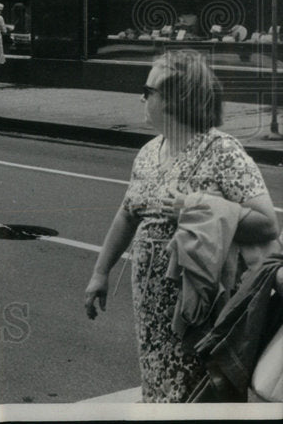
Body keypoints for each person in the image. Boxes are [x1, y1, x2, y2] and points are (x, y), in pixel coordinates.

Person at [84, 50, 279, 402]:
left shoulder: (222, 151)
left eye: (149, 90)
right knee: (157, 386)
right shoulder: (148, 152)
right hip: (152, 311)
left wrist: (195, 208)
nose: (141, 97)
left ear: (177, 98)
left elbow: (267, 223)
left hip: (202, 312)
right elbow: (128, 213)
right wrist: (100, 272)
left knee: (198, 394)